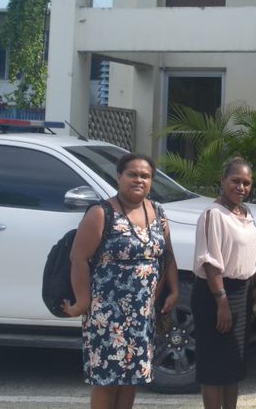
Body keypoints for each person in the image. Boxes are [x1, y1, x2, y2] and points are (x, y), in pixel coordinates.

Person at [64, 153, 178, 409]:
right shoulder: (101, 213)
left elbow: (167, 253)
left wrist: (174, 288)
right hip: (107, 314)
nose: (139, 180)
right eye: (132, 174)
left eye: (145, 176)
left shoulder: (158, 212)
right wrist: (82, 301)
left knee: (130, 379)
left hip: (142, 313)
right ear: (119, 177)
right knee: (107, 380)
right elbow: (78, 258)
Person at [192, 157, 256, 409]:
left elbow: (248, 250)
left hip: (241, 294)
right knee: (213, 367)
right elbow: (210, 262)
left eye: (246, 183)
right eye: (235, 181)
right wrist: (221, 302)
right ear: (223, 180)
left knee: (233, 364)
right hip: (216, 294)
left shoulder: (246, 212)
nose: (241, 187)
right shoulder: (214, 214)